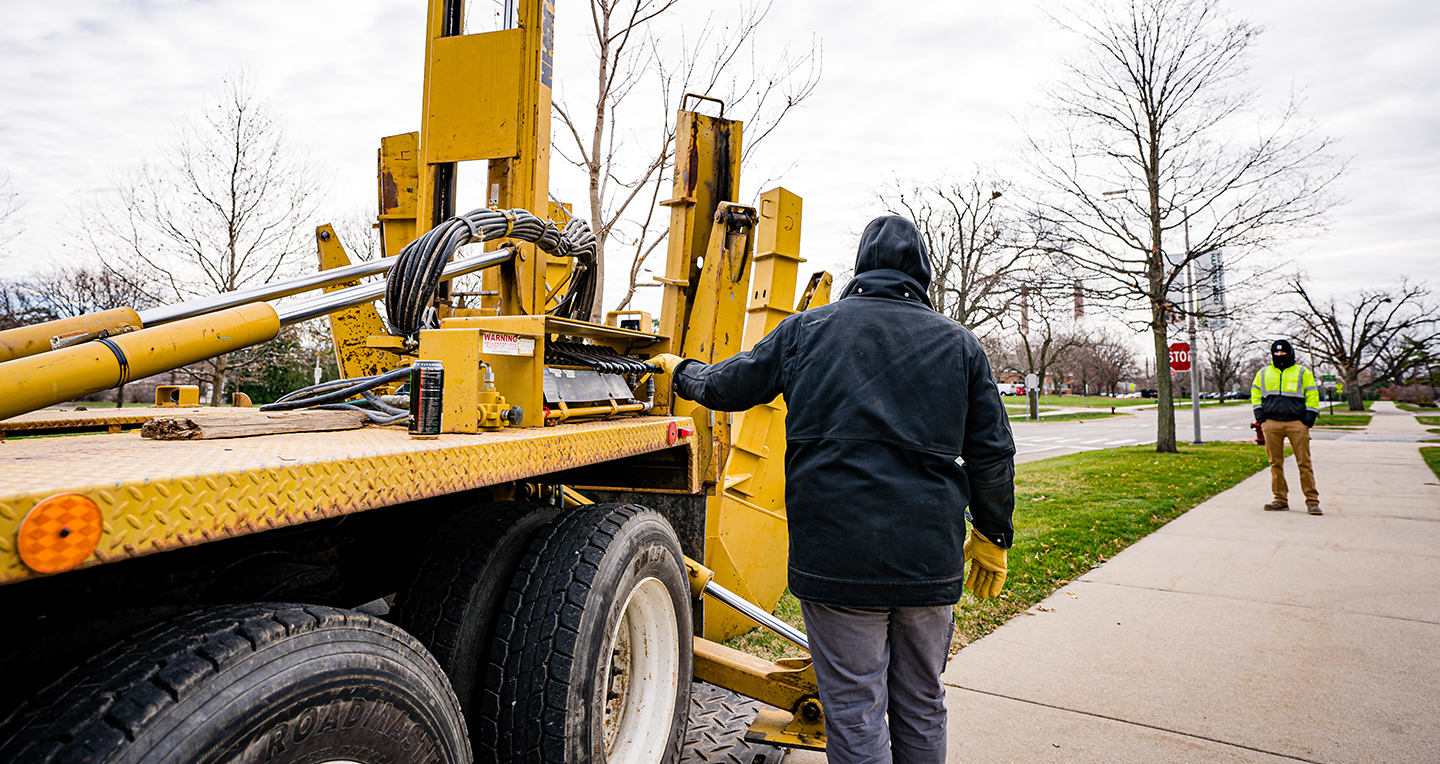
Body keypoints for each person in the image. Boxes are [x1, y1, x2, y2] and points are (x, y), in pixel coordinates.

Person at [651, 215, 1016, 764]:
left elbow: (730, 385)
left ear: (862, 266)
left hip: (836, 559)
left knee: (853, 710)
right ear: (923, 273)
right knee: (922, 702)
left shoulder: (807, 332)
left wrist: (682, 372)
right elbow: (993, 453)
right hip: (927, 559)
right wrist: (993, 535)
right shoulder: (960, 346)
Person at [1250, 339, 1322, 514]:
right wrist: (1261, 418)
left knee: (1304, 463)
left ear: (1290, 354)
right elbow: (1255, 395)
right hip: (1271, 423)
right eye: (1276, 353)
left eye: (1283, 353)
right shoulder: (1263, 372)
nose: (1280, 356)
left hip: (1297, 424)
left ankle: (1312, 501)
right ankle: (1280, 499)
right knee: (1275, 463)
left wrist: (1307, 421)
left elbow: (1312, 396)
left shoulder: (1302, 372)